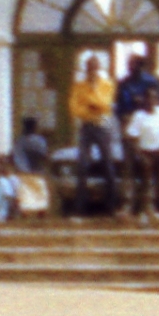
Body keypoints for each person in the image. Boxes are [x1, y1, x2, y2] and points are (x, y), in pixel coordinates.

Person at [68, 52, 119, 216]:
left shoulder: (107, 85)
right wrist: (91, 109)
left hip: (103, 127)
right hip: (86, 126)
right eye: (89, 67)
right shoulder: (79, 86)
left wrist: (91, 99)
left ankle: (110, 206)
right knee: (82, 164)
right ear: (86, 69)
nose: (92, 70)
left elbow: (106, 105)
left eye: (95, 67)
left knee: (108, 165)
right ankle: (80, 207)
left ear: (99, 68)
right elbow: (74, 108)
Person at [123, 90, 159, 218]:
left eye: (154, 98)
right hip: (146, 153)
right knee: (146, 183)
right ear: (145, 100)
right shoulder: (139, 116)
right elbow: (132, 136)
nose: (152, 101)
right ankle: (144, 212)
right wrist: (139, 154)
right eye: (149, 98)